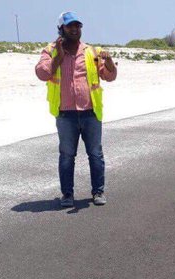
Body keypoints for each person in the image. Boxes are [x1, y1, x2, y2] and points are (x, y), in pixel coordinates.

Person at [35, 11, 117, 207]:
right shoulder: (50, 51)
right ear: (61, 29)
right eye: (70, 26)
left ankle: (98, 192)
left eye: (77, 26)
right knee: (66, 156)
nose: (74, 29)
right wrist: (59, 57)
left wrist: (110, 62)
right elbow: (42, 73)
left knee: (95, 154)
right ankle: (67, 195)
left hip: (91, 113)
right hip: (65, 115)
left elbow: (109, 76)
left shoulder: (92, 51)